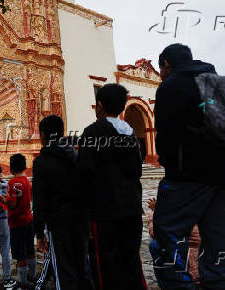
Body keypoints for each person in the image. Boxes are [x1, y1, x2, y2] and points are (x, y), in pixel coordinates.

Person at [152, 43, 225, 289]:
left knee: (167, 237)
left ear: (166, 65)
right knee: (217, 239)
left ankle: (180, 285)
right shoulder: (219, 83)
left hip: (187, 177)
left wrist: (171, 164)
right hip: (221, 177)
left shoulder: (171, 87)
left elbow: (165, 135)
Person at [78, 84, 146, 290]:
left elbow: (84, 175)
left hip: (105, 212)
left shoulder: (93, 132)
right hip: (132, 208)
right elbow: (137, 170)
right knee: (131, 260)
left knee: (105, 264)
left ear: (99, 105)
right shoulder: (131, 134)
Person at [32, 115, 92, 290]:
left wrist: (39, 232)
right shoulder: (77, 156)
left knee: (64, 271)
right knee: (83, 265)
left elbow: (39, 199)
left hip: (58, 223)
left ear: (43, 134)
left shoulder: (42, 162)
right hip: (81, 220)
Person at [0, 154, 36, 288]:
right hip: (29, 220)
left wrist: (0, 196)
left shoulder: (13, 183)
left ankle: (23, 282)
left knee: (20, 255)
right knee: (30, 250)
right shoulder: (26, 181)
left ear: (12, 168)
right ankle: (33, 276)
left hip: (17, 223)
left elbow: (12, 204)